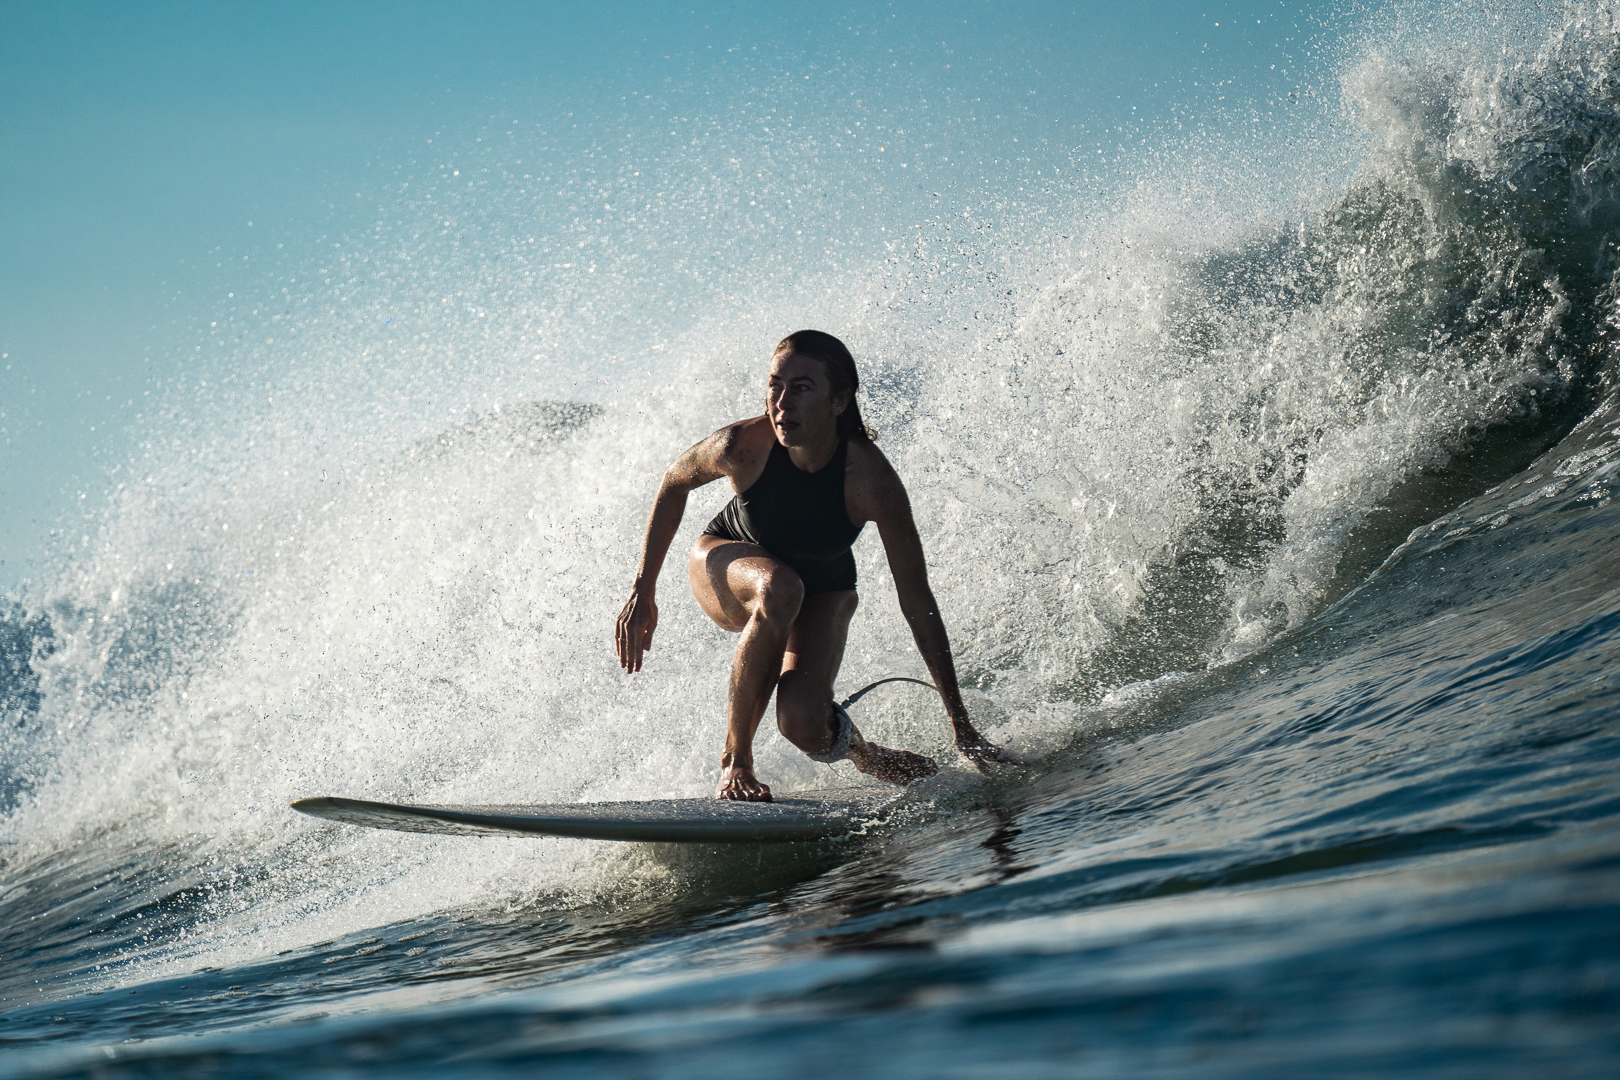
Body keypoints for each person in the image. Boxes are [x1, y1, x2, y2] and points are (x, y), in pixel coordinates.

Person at [614, 330, 1008, 801]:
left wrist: (961, 728)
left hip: (824, 585)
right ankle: (735, 762)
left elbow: (917, 600)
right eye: (775, 385)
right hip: (727, 560)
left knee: (801, 722)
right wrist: (643, 590)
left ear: (839, 401)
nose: (782, 403)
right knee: (778, 589)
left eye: (802, 389)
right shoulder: (741, 445)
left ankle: (865, 754)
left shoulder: (871, 481)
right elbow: (674, 482)